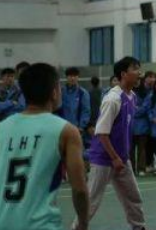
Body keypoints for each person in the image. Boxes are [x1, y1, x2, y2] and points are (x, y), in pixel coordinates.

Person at [0, 63, 89, 230]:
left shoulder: (2, 127)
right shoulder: (66, 131)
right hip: (41, 225)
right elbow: (79, 190)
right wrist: (83, 223)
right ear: (54, 92)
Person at [74, 57, 147, 230]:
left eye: (139, 69)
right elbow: (102, 133)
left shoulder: (132, 97)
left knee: (133, 197)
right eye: (135, 69)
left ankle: (138, 227)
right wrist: (114, 158)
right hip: (104, 159)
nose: (139, 73)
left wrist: (121, 157)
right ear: (123, 74)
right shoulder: (113, 99)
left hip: (122, 159)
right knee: (91, 201)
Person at [131, 71, 156, 176]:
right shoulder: (128, 91)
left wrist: (134, 110)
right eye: (135, 79)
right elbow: (126, 107)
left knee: (142, 149)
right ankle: (131, 169)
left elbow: (145, 108)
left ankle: (141, 168)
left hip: (143, 126)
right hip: (130, 126)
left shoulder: (146, 93)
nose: (136, 81)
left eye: (138, 79)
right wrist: (135, 109)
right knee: (130, 150)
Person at [61, 68, 92, 140]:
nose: (72, 78)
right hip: (62, 128)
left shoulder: (83, 93)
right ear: (66, 77)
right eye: (70, 76)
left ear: (78, 77)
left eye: (75, 76)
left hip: (77, 130)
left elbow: (86, 111)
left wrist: (81, 127)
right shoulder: (61, 92)